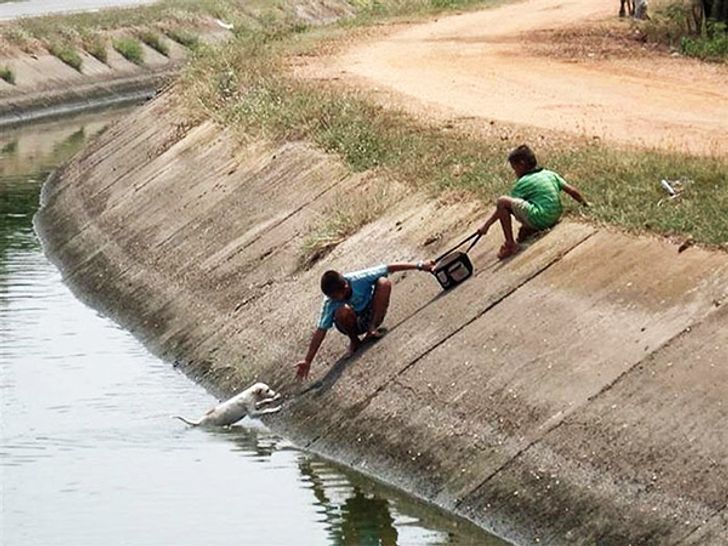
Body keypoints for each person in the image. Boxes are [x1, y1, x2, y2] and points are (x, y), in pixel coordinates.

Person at [295, 261, 433, 380]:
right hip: (351, 323)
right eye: (332, 297)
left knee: (384, 282)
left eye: (337, 296)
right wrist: (308, 360)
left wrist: (420, 265)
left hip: (371, 313)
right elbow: (321, 331)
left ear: (346, 287)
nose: (334, 299)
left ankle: (372, 328)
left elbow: (389, 268)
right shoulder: (330, 303)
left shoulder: (358, 278)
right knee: (341, 311)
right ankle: (354, 341)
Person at [478, 144, 589, 259]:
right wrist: (585, 204)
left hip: (541, 217)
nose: (515, 173)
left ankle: (510, 244)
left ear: (521, 164)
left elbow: (503, 208)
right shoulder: (549, 174)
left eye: (515, 169)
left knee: (502, 201)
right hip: (555, 215)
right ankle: (528, 230)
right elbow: (572, 191)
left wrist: (486, 226)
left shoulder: (524, 182)